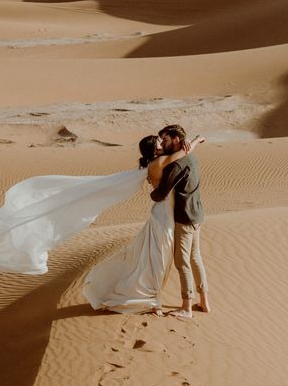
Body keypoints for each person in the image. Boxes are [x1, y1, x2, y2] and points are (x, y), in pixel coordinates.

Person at [82, 131, 205, 314]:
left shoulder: (160, 159)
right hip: (163, 217)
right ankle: (152, 300)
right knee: (158, 259)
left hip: (168, 215)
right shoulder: (158, 163)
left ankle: (154, 298)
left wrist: (187, 140)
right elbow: (184, 153)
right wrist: (195, 140)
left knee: (158, 258)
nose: (162, 143)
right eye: (159, 142)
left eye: (163, 140)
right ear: (154, 148)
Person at [150, 124, 210, 319]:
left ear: (177, 139)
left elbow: (160, 194)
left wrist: (152, 188)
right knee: (195, 258)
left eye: (166, 140)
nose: (163, 144)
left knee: (181, 262)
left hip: (184, 218)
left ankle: (187, 307)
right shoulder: (190, 157)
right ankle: (204, 302)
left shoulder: (176, 165)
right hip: (198, 214)